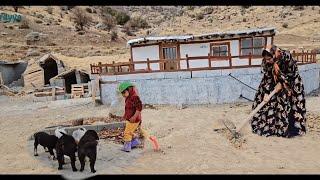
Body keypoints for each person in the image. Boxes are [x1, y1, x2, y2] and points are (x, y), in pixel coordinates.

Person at [250, 45, 307, 137]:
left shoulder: (286, 57)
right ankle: (268, 127)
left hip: (291, 82)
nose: (267, 61)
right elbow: (267, 77)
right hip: (273, 81)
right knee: (265, 101)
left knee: (288, 103)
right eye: (266, 59)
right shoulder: (266, 61)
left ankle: (289, 129)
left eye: (269, 59)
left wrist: (282, 83)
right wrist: (266, 92)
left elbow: (292, 73)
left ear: (274, 55)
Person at [118, 81, 144, 152]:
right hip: (130, 119)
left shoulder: (134, 97)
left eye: (124, 92)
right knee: (130, 131)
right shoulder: (129, 97)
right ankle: (135, 142)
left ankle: (127, 147)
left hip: (134, 119)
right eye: (122, 93)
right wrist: (125, 116)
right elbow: (129, 108)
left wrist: (134, 117)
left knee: (127, 133)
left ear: (129, 89)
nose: (123, 95)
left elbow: (139, 108)